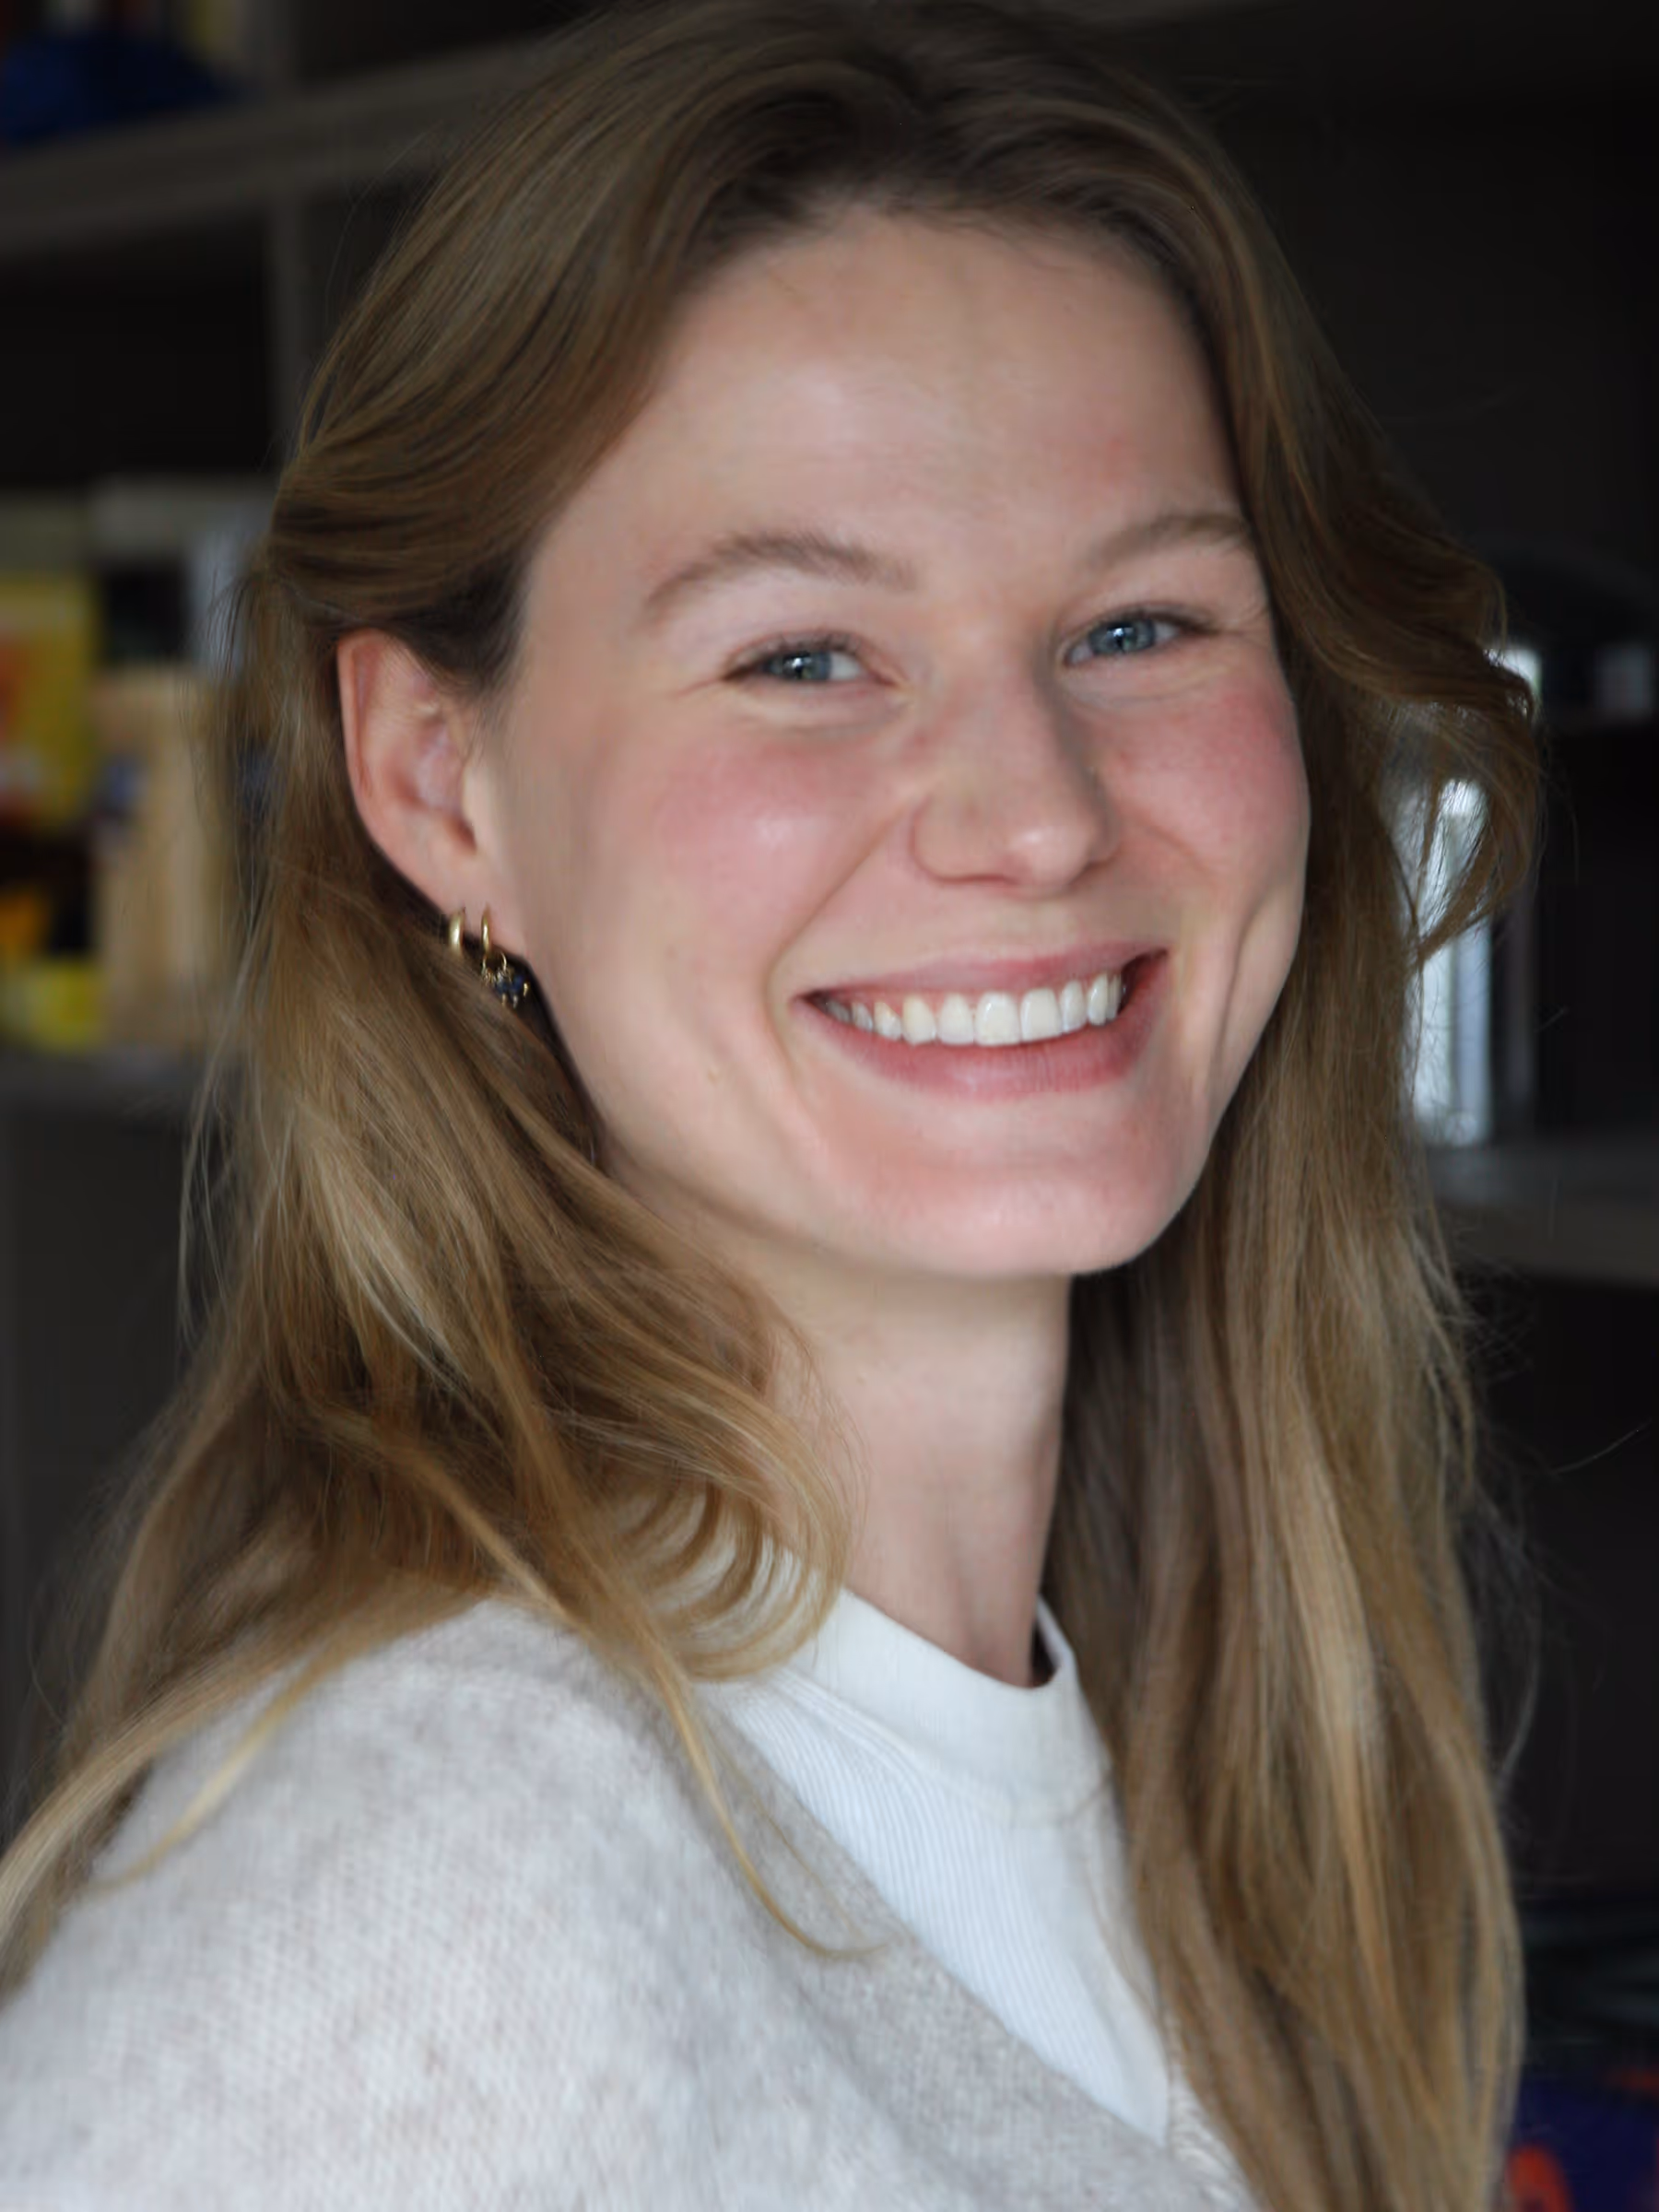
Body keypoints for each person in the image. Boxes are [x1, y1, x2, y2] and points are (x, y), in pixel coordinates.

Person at [0, 2, 1537, 2206]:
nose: (1033, 817)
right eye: (802, 655)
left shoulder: (1199, 1747)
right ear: (444, 788)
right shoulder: (420, 1930)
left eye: (1141, 626)